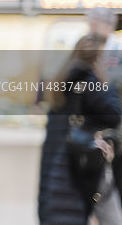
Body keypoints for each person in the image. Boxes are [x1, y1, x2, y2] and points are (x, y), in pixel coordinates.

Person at [39, 33, 122, 225]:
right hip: (84, 164)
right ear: (98, 58)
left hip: (58, 169)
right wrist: (106, 83)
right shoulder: (92, 84)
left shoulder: (59, 82)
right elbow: (115, 115)